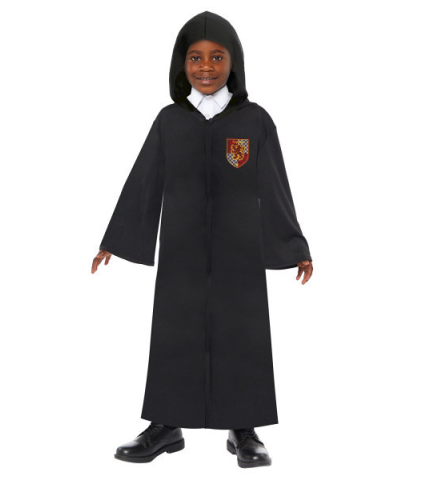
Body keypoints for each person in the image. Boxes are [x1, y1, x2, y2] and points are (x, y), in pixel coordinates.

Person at [91, 11, 313, 468]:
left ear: (234, 62)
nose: (206, 66)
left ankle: (243, 429)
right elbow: (145, 179)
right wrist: (115, 238)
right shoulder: (170, 121)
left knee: (242, 334)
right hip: (182, 250)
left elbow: (274, 185)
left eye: (217, 57)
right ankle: (166, 425)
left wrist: (294, 246)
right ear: (181, 63)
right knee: (175, 333)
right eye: (195, 57)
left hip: (239, 251)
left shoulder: (254, 121)